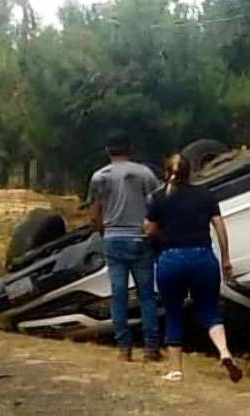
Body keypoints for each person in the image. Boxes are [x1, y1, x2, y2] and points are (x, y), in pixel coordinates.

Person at [145, 154, 242, 383]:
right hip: (202, 257)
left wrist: (158, 237)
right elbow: (219, 227)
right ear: (190, 173)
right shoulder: (205, 194)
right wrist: (226, 258)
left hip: (171, 259)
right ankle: (224, 351)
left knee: (173, 313)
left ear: (166, 173)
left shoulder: (158, 198)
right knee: (209, 310)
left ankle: (176, 370)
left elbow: (149, 230)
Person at [89, 133, 161, 362]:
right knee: (146, 295)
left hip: (113, 239)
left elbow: (95, 214)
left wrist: (105, 232)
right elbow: (157, 204)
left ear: (108, 151)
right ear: (131, 150)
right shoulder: (144, 173)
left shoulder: (99, 177)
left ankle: (124, 348)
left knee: (118, 295)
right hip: (140, 238)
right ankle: (151, 348)